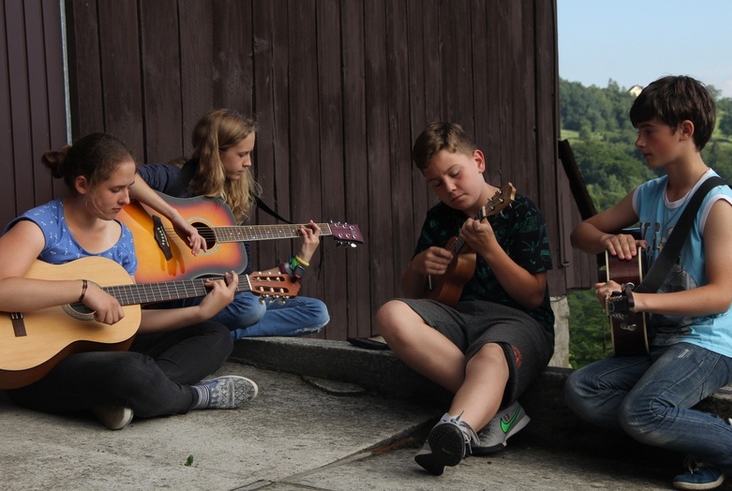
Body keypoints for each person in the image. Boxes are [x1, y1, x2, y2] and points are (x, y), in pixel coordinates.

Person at [564, 75, 732, 490]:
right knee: (582, 388)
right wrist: (609, 237)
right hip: (662, 341)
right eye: (638, 132)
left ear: (685, 130)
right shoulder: (648, 194)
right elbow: (581, 234)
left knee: (642, 412)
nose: (639, 142)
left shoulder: (717, 205)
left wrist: (636, 301)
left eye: (648, 131)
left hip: (715, 340)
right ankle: (707, 444)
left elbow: (721, 296)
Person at [0, 133, 258, 430]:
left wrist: (199, 312)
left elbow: (130, 318)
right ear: (83, 184)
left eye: (128, 188)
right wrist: (82, 289)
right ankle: (191, 397)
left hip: (104, 352)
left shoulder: (122, 237)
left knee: (214, 335)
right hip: (40, 368)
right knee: (129, 370)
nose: (126, 199)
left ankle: (122, 397)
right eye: (116, 190)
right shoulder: (41, 226)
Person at [375, 122, 555, 475]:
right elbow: (415, 294)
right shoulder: (439, 218)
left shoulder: (520, 212)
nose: (449, 188)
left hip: (518, 322)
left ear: (478, 160)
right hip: (457, 317)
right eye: (436, 183)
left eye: (455, 174)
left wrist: (492, 250)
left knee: (491, 353)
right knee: (391, 313)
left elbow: (533, 296)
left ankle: (457, 429)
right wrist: (417, 266)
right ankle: (500, 410)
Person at [132, 109, 329, 340]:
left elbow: (243, 280)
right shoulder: (174, 178)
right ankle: (203, 330)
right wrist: (175, 217)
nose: (248, 163)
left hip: (209, 294)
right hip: (170, 293)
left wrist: (300, 259)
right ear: (215, 152)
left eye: (249, 154)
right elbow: (125, 177)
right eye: (242, 154)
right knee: (251, 308)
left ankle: (209, 332)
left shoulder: (233, 211)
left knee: (316, 312)